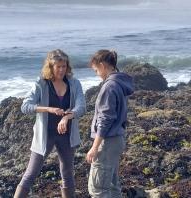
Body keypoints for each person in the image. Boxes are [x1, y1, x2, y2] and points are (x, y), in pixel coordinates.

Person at [14, 49, 86, 198]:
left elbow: (81, 107)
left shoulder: (74, 83)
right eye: (58, 66)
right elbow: (25, 106)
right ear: (50, 67)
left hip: (67, 135)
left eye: (64, 66)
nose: (61, 70)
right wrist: (47, 109)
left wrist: (67, 117)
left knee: (67, 174)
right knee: (31, 174)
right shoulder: (41, 83)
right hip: (45, 135)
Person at [86, 49, 134, 198]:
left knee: (98, 189)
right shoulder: (119, 83)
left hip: (107, 142)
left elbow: (105, 119)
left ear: (102, 65)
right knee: (112, 187)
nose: (97, 74)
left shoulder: (109, 86)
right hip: (116, 140)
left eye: (96, 70)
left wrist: (95, 147)